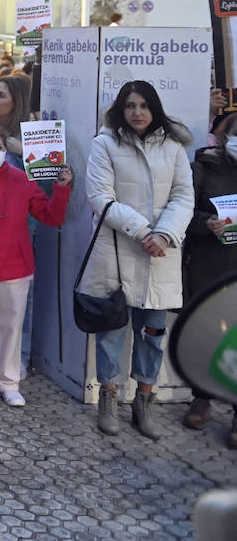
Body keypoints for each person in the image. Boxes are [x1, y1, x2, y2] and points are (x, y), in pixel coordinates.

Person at [83, 81, 194, 440]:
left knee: (152, 334)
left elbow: (183, 196)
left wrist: (163, 234)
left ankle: (143, 401)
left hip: (160, 255)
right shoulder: (105, 144)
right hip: (119, 250)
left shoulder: (174, 147)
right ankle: (109, 398)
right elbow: (100, 196)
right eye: (130, 105)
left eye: (144, 105)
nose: (137, 112)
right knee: (112, 333)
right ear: (121, 108)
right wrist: (143, 230)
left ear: (155, 108)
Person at [0, 124, 71, 409]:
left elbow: (50, 216)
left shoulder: (24, 180)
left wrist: (61, 189)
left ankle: (8, 381)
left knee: (12, 327)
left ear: (6, 150)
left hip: (15, 266)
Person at [183, 111, 237, 447]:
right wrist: (207, 224)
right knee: (208, 335)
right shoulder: (205, 166)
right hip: (210, 265)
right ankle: (201, 397)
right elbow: (184, 211)